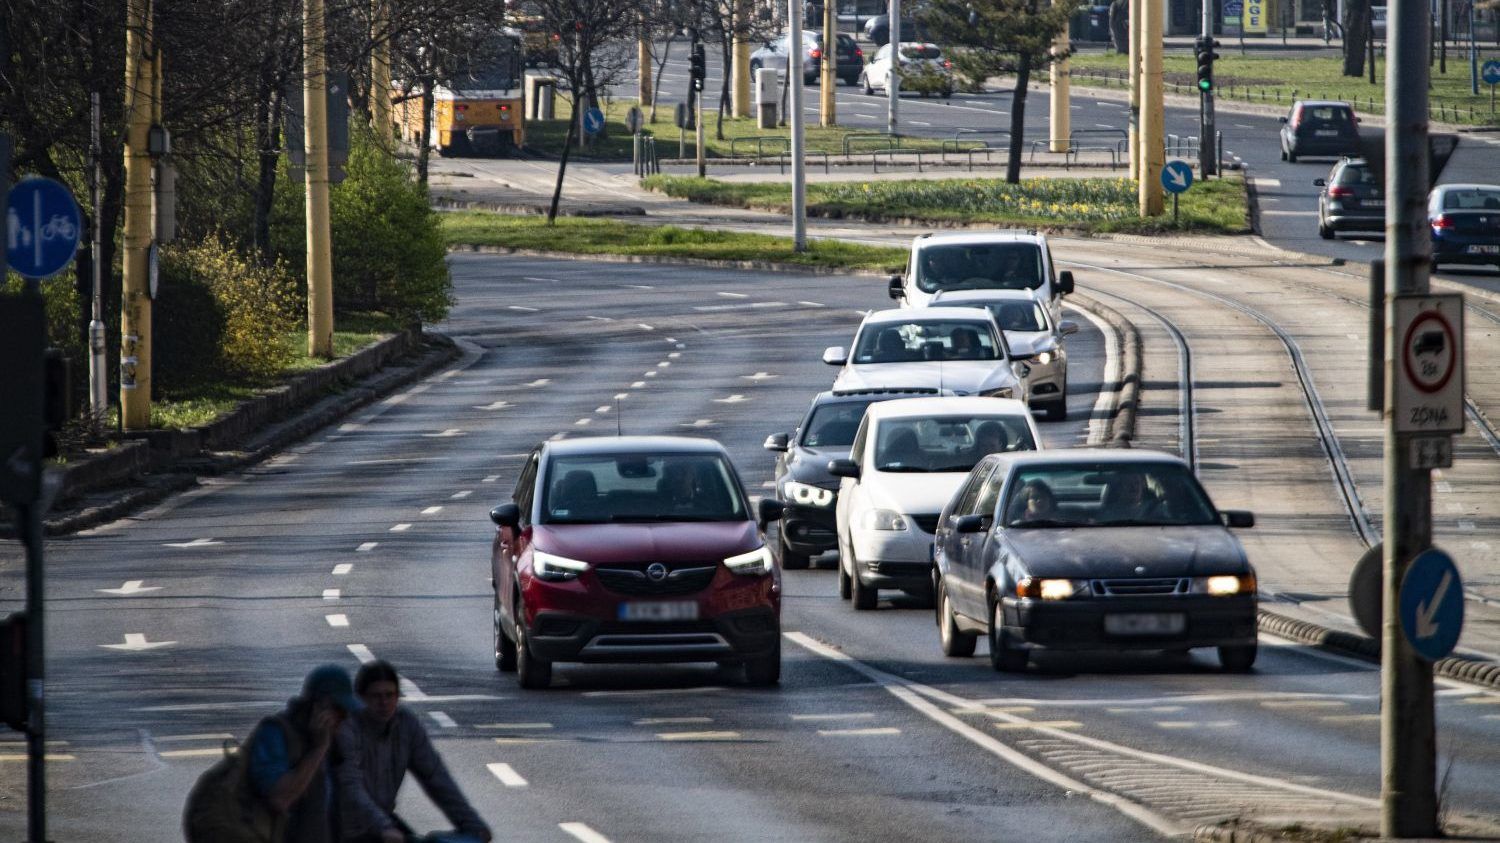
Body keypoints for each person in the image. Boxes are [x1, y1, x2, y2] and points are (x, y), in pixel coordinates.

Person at [337, 661, 492, 843]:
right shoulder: (347, 729)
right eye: (376, 696)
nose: (384, 703)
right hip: (345, 829)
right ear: (361, 698)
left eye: (390, 695)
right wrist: (384, 827)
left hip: (383, 821)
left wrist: (472, 824)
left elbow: (436, 777)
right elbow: (350, 787)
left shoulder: (405, 724)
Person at [245, 664, 363, 843]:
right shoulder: (276, 733)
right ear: (319, 707)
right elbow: (280, 798)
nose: (345, 718)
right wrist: (318, 749)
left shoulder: (334, 740)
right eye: (339, 711)